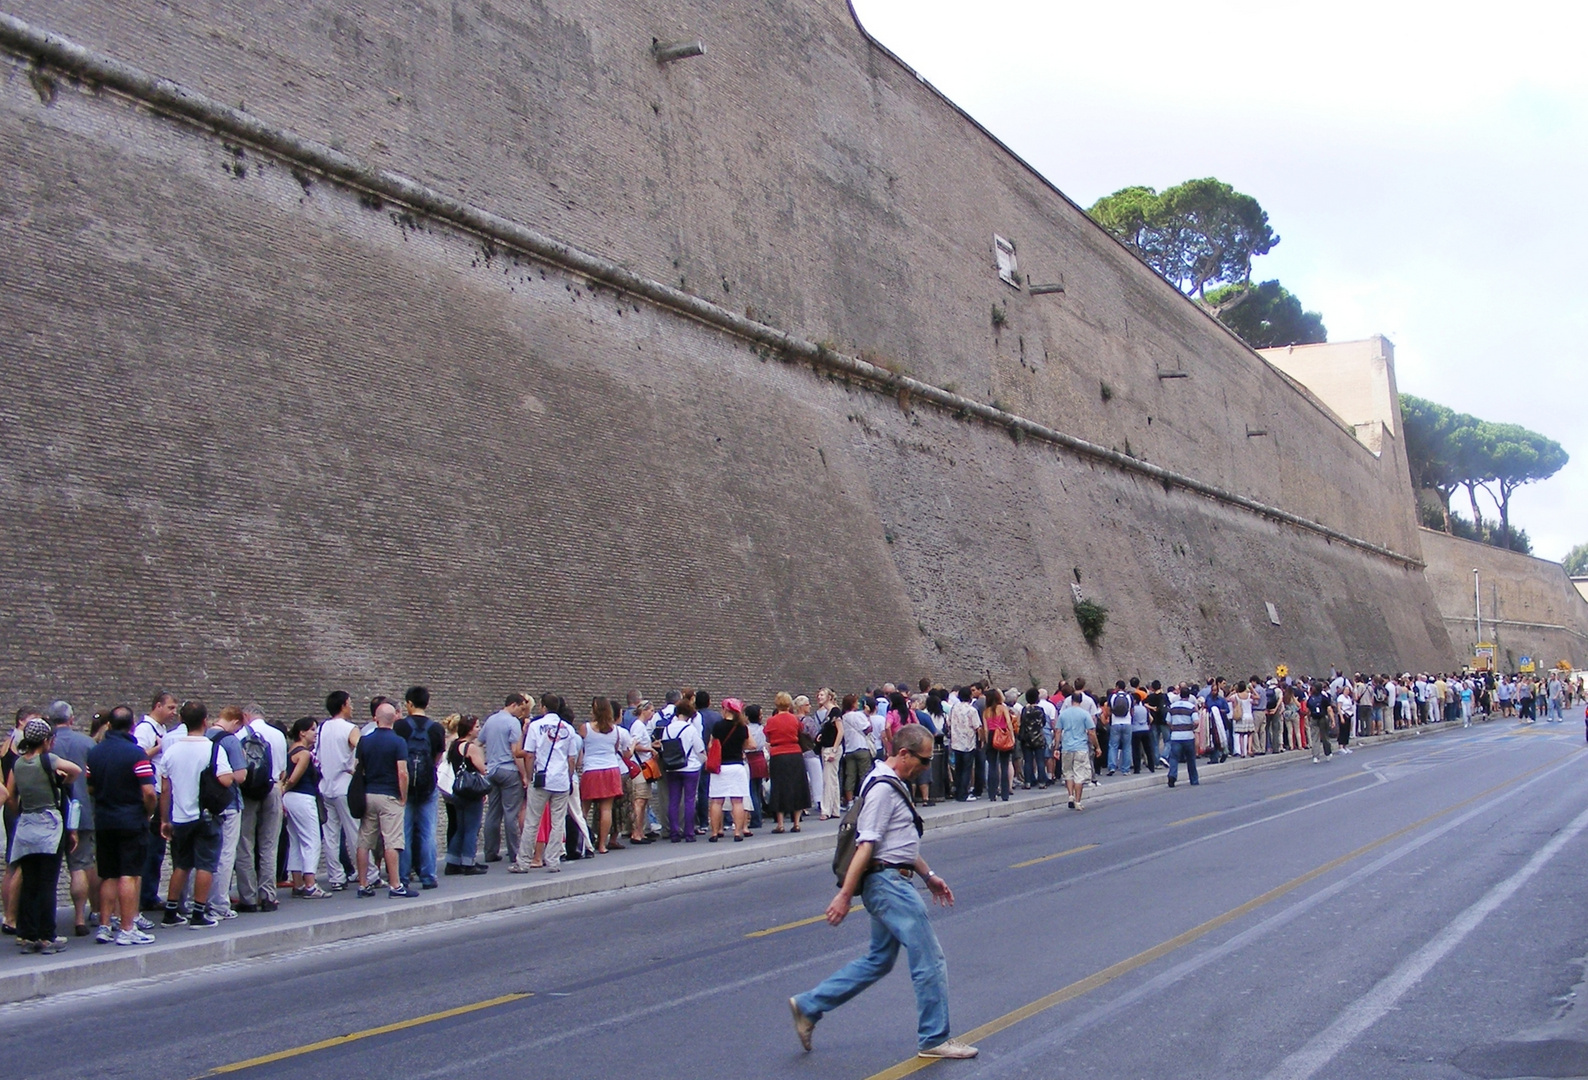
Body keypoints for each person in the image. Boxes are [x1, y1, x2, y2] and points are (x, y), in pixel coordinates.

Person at [789, 724, 976, 1061]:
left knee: (878, 960)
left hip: (891, 878)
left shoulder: (890, 784)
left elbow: (896, 841)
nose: (925, 767)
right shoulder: (883, 789)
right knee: (930, 959)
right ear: (903, 753)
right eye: (922, 760)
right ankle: (934, 1038)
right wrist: (845, 895)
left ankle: (809, 1005)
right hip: (889, 884)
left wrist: (928, 874)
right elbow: (867, 844)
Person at [6, 717, 82, 952]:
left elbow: (11, 795)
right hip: (49, 823)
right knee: (47, 882)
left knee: (29, 881)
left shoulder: (17, 764)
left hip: (26, 824)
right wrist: (62, 781)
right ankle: (47, 935)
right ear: (47, 740)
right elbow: (76, 771)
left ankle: (27, 934)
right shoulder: (48, 759)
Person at [86, 705, 157, 944]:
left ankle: (104, 926)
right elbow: (148, 791)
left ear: (109, 725)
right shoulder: (136, 754)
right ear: (132, 726)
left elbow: (90, 786)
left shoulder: (95, 753)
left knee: (109, 875)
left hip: (104, 819)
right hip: (130, 819)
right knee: (130, 874)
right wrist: (148, 811)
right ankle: (128, 928)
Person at [159, 701, 233, 928]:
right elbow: (226, 779)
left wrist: (164, 819)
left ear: (181, 721)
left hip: (180, 817)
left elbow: (165, 789)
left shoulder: (171, 750)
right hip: (206, 815)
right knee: (206, 864)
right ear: (205, 721)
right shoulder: (213, 749)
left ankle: (171, 911)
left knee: (181, 864)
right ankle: (198, 913)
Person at [47, 701, 98, 937]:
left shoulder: (45, 745)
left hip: (53, 813)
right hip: (83, 812)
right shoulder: (86, 743)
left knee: (49, 870)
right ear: (71, 718)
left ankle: (45, 920)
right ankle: (80, 917)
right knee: (81, 866)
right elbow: (94, 780)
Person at [512, 695, 579, 871]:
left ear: (543, 707)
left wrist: (529, 776)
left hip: (541, 778)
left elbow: (529, 754)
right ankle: (553, 860)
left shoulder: (535, 726)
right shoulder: (568, 729)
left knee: (532, 821)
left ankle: (524, 861)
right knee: (558, 822)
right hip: (561, 780)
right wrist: (570, 777)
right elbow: (572, 758)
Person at [355, 702, 415, 898]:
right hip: (389, 795)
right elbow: (402, 773)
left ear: (375, 719)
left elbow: (357, 768)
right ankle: (395, 885)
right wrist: (403, 796)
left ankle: (363, 884)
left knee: (365, 841)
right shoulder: (398, 742)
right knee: (392, 841)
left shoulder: (364, 741)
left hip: (368, 794)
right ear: (395, 719)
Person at [236, 704, 287, 913]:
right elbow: (283, 771)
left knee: (245, 844)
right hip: (272, 787)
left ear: (246, 716)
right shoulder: (277, 735)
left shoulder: (239, 734)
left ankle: (247, 897)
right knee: (269, 844)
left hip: (247, 791)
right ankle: (268, 895)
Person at [394, 686, 444, 890]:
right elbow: (438, 757)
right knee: (428, 831)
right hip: (427, 783)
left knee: (403, 832)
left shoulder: (400, 727)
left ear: (409, 704)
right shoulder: (436, 728)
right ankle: (428, 875)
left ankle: (403, 877)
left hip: (403, 786)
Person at [315, 691, 365, 892]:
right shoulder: (350, 729)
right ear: (344, 705)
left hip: (325, 785)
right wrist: (355, 768)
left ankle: (336, 876)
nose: (351, 707)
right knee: (355, 832)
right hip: (345, 785)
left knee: (331, 835)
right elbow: (362, 750)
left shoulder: (322, 728)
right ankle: (367, 873)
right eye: (350, 703)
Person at [203, 706, 249, 920]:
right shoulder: (230, 741)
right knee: (225, 854)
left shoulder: (203, 735)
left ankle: (200, 900)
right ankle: (219, 902)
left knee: (204, 855)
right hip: (228, 802)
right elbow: (241, 776)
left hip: (204, 803)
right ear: (237, 722)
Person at [280, 717, 329, 898]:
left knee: (295, 840)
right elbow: (294, 777)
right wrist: (285, 788)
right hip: (303, 797)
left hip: (291, 799)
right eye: (312, 730)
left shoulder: (290, 750)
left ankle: (298, 882)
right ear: (302, 732)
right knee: (312, 840)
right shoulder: (305, 754)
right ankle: (310, 884)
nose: (315, 734)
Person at [480, 694, 531, 863]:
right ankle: (515, 852)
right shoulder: (512, 723)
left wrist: (484, 765)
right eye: (521, 708)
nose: (522, 712)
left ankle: (490, 851)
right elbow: (516, 752)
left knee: (493, 813)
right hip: (509, 770)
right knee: (511, 813)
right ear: (514, 705)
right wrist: (524, 775)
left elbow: (479, 743)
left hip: (492, 770)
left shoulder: (490, 720)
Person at [577, 699, 629, 854]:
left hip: (592, 770)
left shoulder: (585, 728)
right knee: (607, 809)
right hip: (611, 769)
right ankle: (602, 844)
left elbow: (580, 748)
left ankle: (583, 842)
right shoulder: (616, 731)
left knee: (583, 809)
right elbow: (614, 749)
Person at [444, 715, 490, 874]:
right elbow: (482, 769)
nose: (479, 729)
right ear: (469, 729)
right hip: (471, 791)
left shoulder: (454, 744)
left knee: (460, 827)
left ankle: (453, 861)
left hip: (458, 790)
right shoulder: (471, 748)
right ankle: (469, 862)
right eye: (476, 726)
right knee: (472, 827)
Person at [659, 697, 705, 843]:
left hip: (672, 767)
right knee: (689, 800)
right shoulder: (690, 729)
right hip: (690, 767)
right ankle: (689, 832)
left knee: (673, 800)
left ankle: (674, 832)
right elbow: (699, 749)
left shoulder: (666, 729)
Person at [763, 693, 810, 833]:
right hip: (795, 753)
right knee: (797, 786)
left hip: (778, 755)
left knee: (779, 787)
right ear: (789, 704)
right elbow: (801, 731)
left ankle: (780, 824)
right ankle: (796, 823)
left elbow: (768, 736)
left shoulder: (771, 721)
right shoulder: (795, 719)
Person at [708, 699, 753, 841]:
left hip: (720, 767)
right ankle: (737, 833)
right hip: (737, 766)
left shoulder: (717, 726)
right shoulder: (742, 727)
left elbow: (711, 745)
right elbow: (752, 744)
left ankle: (715, 833)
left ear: (726, 710)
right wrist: (740, 748)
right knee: (737, 801)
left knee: (716, 801)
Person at [1057, 690, 1098, 808]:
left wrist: (1056, 747)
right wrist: (1097, 746)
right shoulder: (1085, 714)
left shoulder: (1063, 714)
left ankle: (1070, 795)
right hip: (1081, 747)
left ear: (1071, 700)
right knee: (1079, 775)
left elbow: (1058, 731)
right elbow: (1091, 732)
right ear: (1080, 701)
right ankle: (1078, 801)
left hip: (1066, 747)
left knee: (1068, 773)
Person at [626, 700, 657, 845]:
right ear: (644, 711)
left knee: (643, 800)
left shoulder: (641, 726)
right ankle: (636, 832)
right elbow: (635, 745)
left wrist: (651, 745)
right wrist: (649, 749)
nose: (653, 713)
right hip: (640, 767)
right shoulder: (638, 726)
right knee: (640, 799)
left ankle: (640, 830)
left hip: (643, 765)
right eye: (651, 710)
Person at [839, 695, 876, 808]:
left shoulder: (843, 717)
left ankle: (849, 801)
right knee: (864, 774)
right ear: (852, 704)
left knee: (850, 776)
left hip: (849, 749)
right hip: (861, 747)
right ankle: (865, 798)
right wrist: (867, 716)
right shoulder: (857, 715)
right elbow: (868, 729)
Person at [946, 691, 980, 803]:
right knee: (966, 769)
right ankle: (964, 794)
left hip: (956, 742)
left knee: (959, 769)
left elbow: (948, 722)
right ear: (970, 697)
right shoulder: (972, 710)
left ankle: (958, 793)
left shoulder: (954, 708)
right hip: (968, 743)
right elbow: (977, 727)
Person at [1164, 687, 1199, 788]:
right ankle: (1194, 780)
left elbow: (1168, 721)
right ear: (1189, 696)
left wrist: (1173, 727)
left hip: (1175, 736)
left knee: (1174, 758)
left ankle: (1172, 776)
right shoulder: (1191, 707)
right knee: (1191, 759)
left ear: (1180, 695)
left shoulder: (1172, 706)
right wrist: (1191, 727)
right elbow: (1196, 721)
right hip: (1188, 736)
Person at [982, 690, 1014, 801]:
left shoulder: (986, 712)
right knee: (1004, 765)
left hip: (991, 735)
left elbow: (985, 729)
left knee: (992, 766)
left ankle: (992, 794)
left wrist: (987, 741)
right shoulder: (1003, 708)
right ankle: (1005, 794)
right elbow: (1009, 723)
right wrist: (1012, 736)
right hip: (1003, 733)